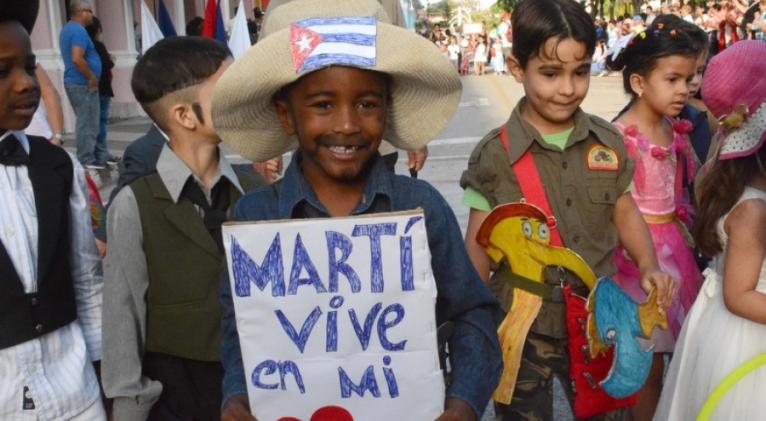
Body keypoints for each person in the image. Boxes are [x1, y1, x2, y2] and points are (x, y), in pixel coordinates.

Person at [212, 0, 503, 420]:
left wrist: (463, 403)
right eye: (323, 105)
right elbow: (240, 332)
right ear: (286, 115)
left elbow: (472, 311)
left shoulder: (421, 209)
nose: (348, 124)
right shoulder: (254, 217)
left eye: (367, 104)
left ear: (388, 106)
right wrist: (237, 395)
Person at [460, 1, 676, 419]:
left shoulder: (607, 142)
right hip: (523, 327)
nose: (567, 88)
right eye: (550, 73)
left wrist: (648, 263)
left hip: (597, 321)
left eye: (580, 72)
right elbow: (478, 245)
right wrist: (473, 317)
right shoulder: (493, 155)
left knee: (605, 412)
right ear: (516, 68)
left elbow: (624, 210)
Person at [101, 37, 265, 420]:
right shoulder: (133, 204)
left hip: (257, 384)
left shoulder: (257, 193)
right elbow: (123, 318)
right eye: (227, 90)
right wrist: (129, 409)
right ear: (185, 116)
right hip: (177, 393)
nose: (240, 99)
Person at [0, 1, 105, 419]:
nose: (27, 84)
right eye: (1, 71)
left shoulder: (60, 166)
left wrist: (104, 374)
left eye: (29, 66)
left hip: (75, 392)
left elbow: (85, 279)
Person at [655, 40, 766, 421]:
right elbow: (740, 295)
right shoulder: (753, 210)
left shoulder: (734, 183)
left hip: (720, 328)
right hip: (749, 341)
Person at [609, 17, 704, 420]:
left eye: (689, 78)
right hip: (635, 262)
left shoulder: (677, 130)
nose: (684, 89)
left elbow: (690, 186)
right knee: (644, 362)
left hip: (677, 256)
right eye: (673, 79)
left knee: (678, 359)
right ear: (639, 83)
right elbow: (614, 205)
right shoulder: (619, 137)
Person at [59, 0, 103, 169]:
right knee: (88, 122)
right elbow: (77, 58)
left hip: (77, 83)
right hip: (82, 83)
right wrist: (91, 77)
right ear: (81, 12)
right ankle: (86, 159)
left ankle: (89, 157)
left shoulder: (69, 29)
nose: (92, 15)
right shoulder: (78, 31)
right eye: (89, 11)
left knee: (87, 120)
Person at [86, 16, 120, 168]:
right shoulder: (97, 45)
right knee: (101, 122)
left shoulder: (86, 45)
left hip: (95, 88)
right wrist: (111, 59)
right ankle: (101, 154)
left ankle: (98, 154)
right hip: (102, 88)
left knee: (95, 123)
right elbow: (106, 64)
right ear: (98, 30)